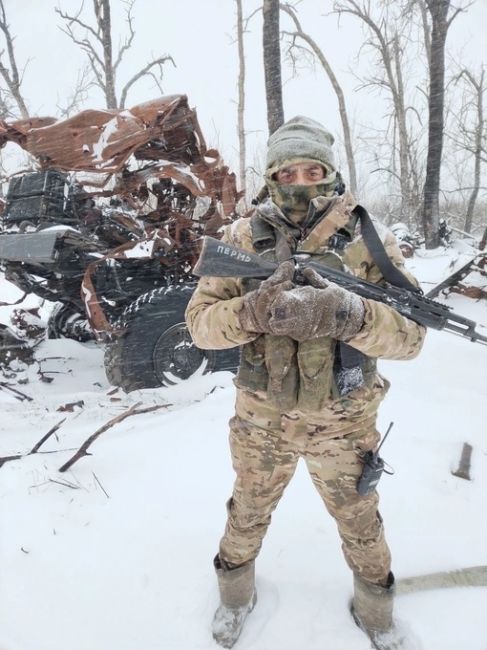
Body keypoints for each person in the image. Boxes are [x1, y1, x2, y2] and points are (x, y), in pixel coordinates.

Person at [185, 116, 425, 650]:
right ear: (270, 175)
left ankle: (375, 610)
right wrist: (252, 310)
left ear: (330, 172)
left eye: (312, 169)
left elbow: (411, 338)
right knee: (246, 513)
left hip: (344, 424)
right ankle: (234, 596)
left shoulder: (369, 240)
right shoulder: (241, 237)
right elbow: (200, 326)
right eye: (286, 170)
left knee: (361, 521)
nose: (299, 181)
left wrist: (351, 315)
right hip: (262, 421)